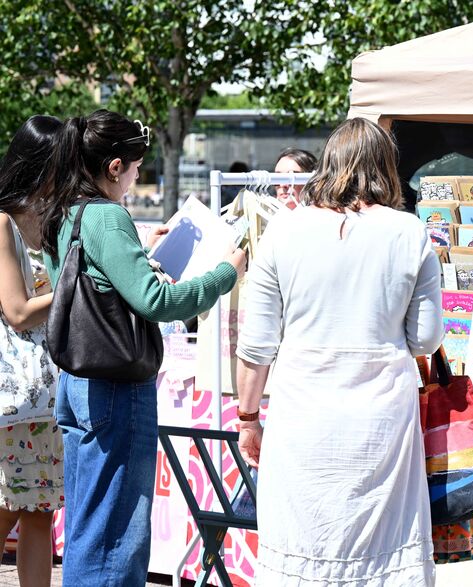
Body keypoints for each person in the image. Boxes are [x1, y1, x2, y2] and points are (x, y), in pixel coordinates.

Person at [39, 109, 247, 585]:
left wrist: (140, 252)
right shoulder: (109, 217)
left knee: (87, 525)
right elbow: (157, 301)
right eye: (135, 166)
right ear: (114, 166)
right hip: (115, 383)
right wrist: (225, 274)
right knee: (116, 534)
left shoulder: (64, 210)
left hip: (78, 380)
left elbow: (90, 283)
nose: (137, 175)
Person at [236, 118, 443, 585]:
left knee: (302, 542)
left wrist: (248, 419)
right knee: (382, 553)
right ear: (386, 168)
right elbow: (425, 338)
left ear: (328, 165)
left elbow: (256, 346)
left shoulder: (283, 233)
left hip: (301, 415)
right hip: (382, 423)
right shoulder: (409, 233)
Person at [0, 115, 64, 587]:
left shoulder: (53, 217)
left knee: (40, 511)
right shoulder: (2, 221)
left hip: (46, 393)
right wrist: (78, 285)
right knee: (5, 509)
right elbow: (19, 311)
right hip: (12, 396)